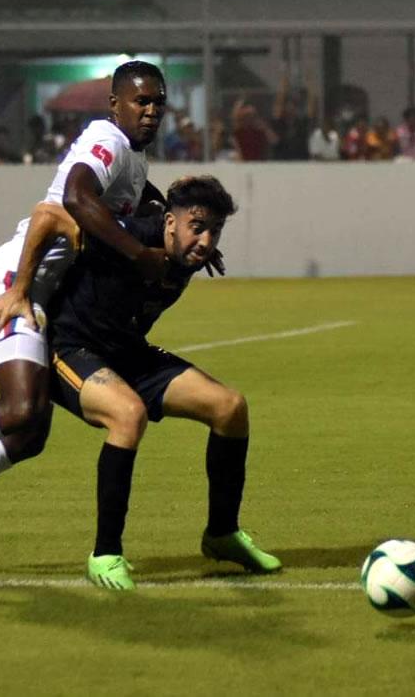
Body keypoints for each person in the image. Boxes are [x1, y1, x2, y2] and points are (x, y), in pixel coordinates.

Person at [0, 60, 196, 577]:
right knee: (21, 407)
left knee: (28, 437)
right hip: (8, 284)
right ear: (116, 105)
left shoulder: (133, 161)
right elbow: (62, 204)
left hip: (39, 294)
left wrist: (190, 235)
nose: (152, 110)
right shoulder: (107, 140)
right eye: (142, 101)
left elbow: (151, 204)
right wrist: (33, 284)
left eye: (159, 101)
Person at [45, 175, 280, 590]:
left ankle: (222, 534)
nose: (206, 241)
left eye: (215, 231)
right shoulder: (130, 236)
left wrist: (195, 239)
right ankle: (105, 554)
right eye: (198, 227)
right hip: (71, 348)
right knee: (127, 414)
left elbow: (167, 204)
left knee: (230, 408)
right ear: (169, 222)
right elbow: (49, 218)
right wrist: (17, 290)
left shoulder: (186, 252)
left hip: (128, 351)